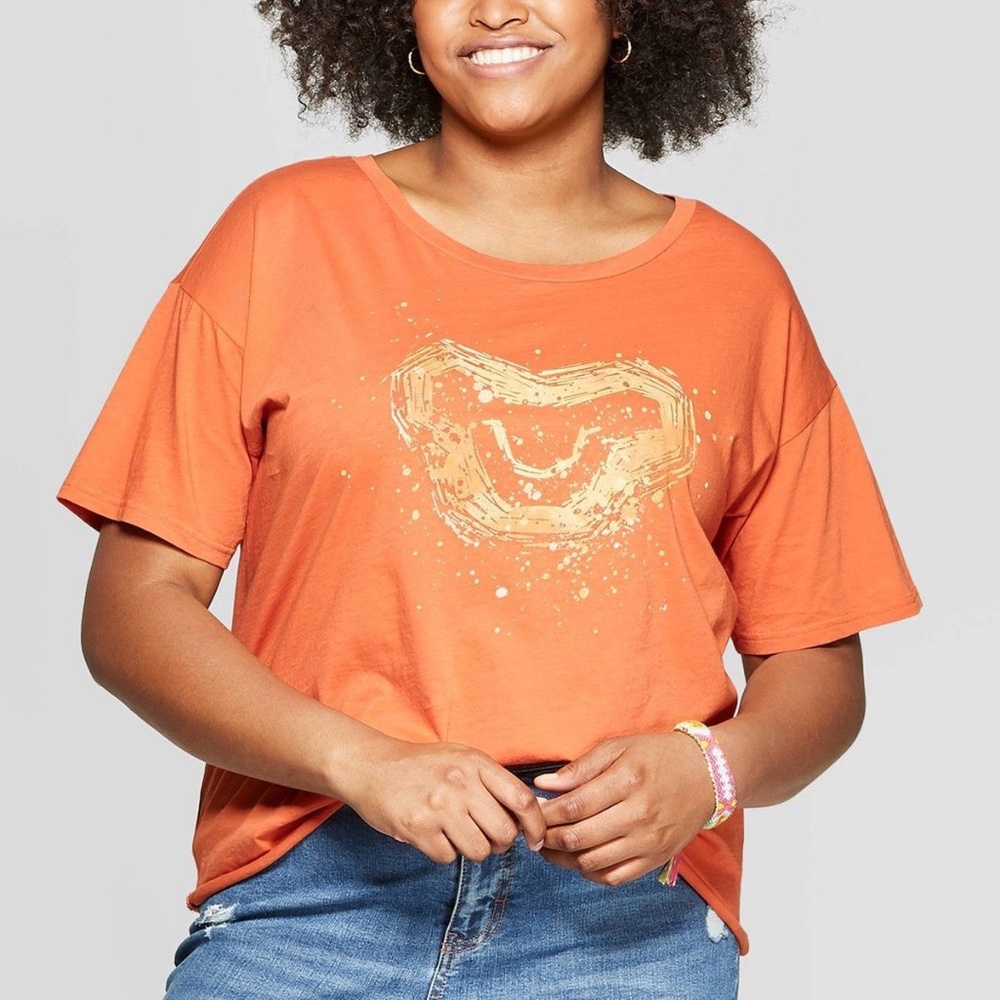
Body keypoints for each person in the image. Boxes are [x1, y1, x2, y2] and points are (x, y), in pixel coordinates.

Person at [57, 2, 922, 997]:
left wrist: (711, 770)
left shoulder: (739, 288)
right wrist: (362, 761)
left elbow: (816, 664)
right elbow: (132, 610)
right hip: (310, 904)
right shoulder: (284, 233)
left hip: (624, 930)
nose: (493, 8)